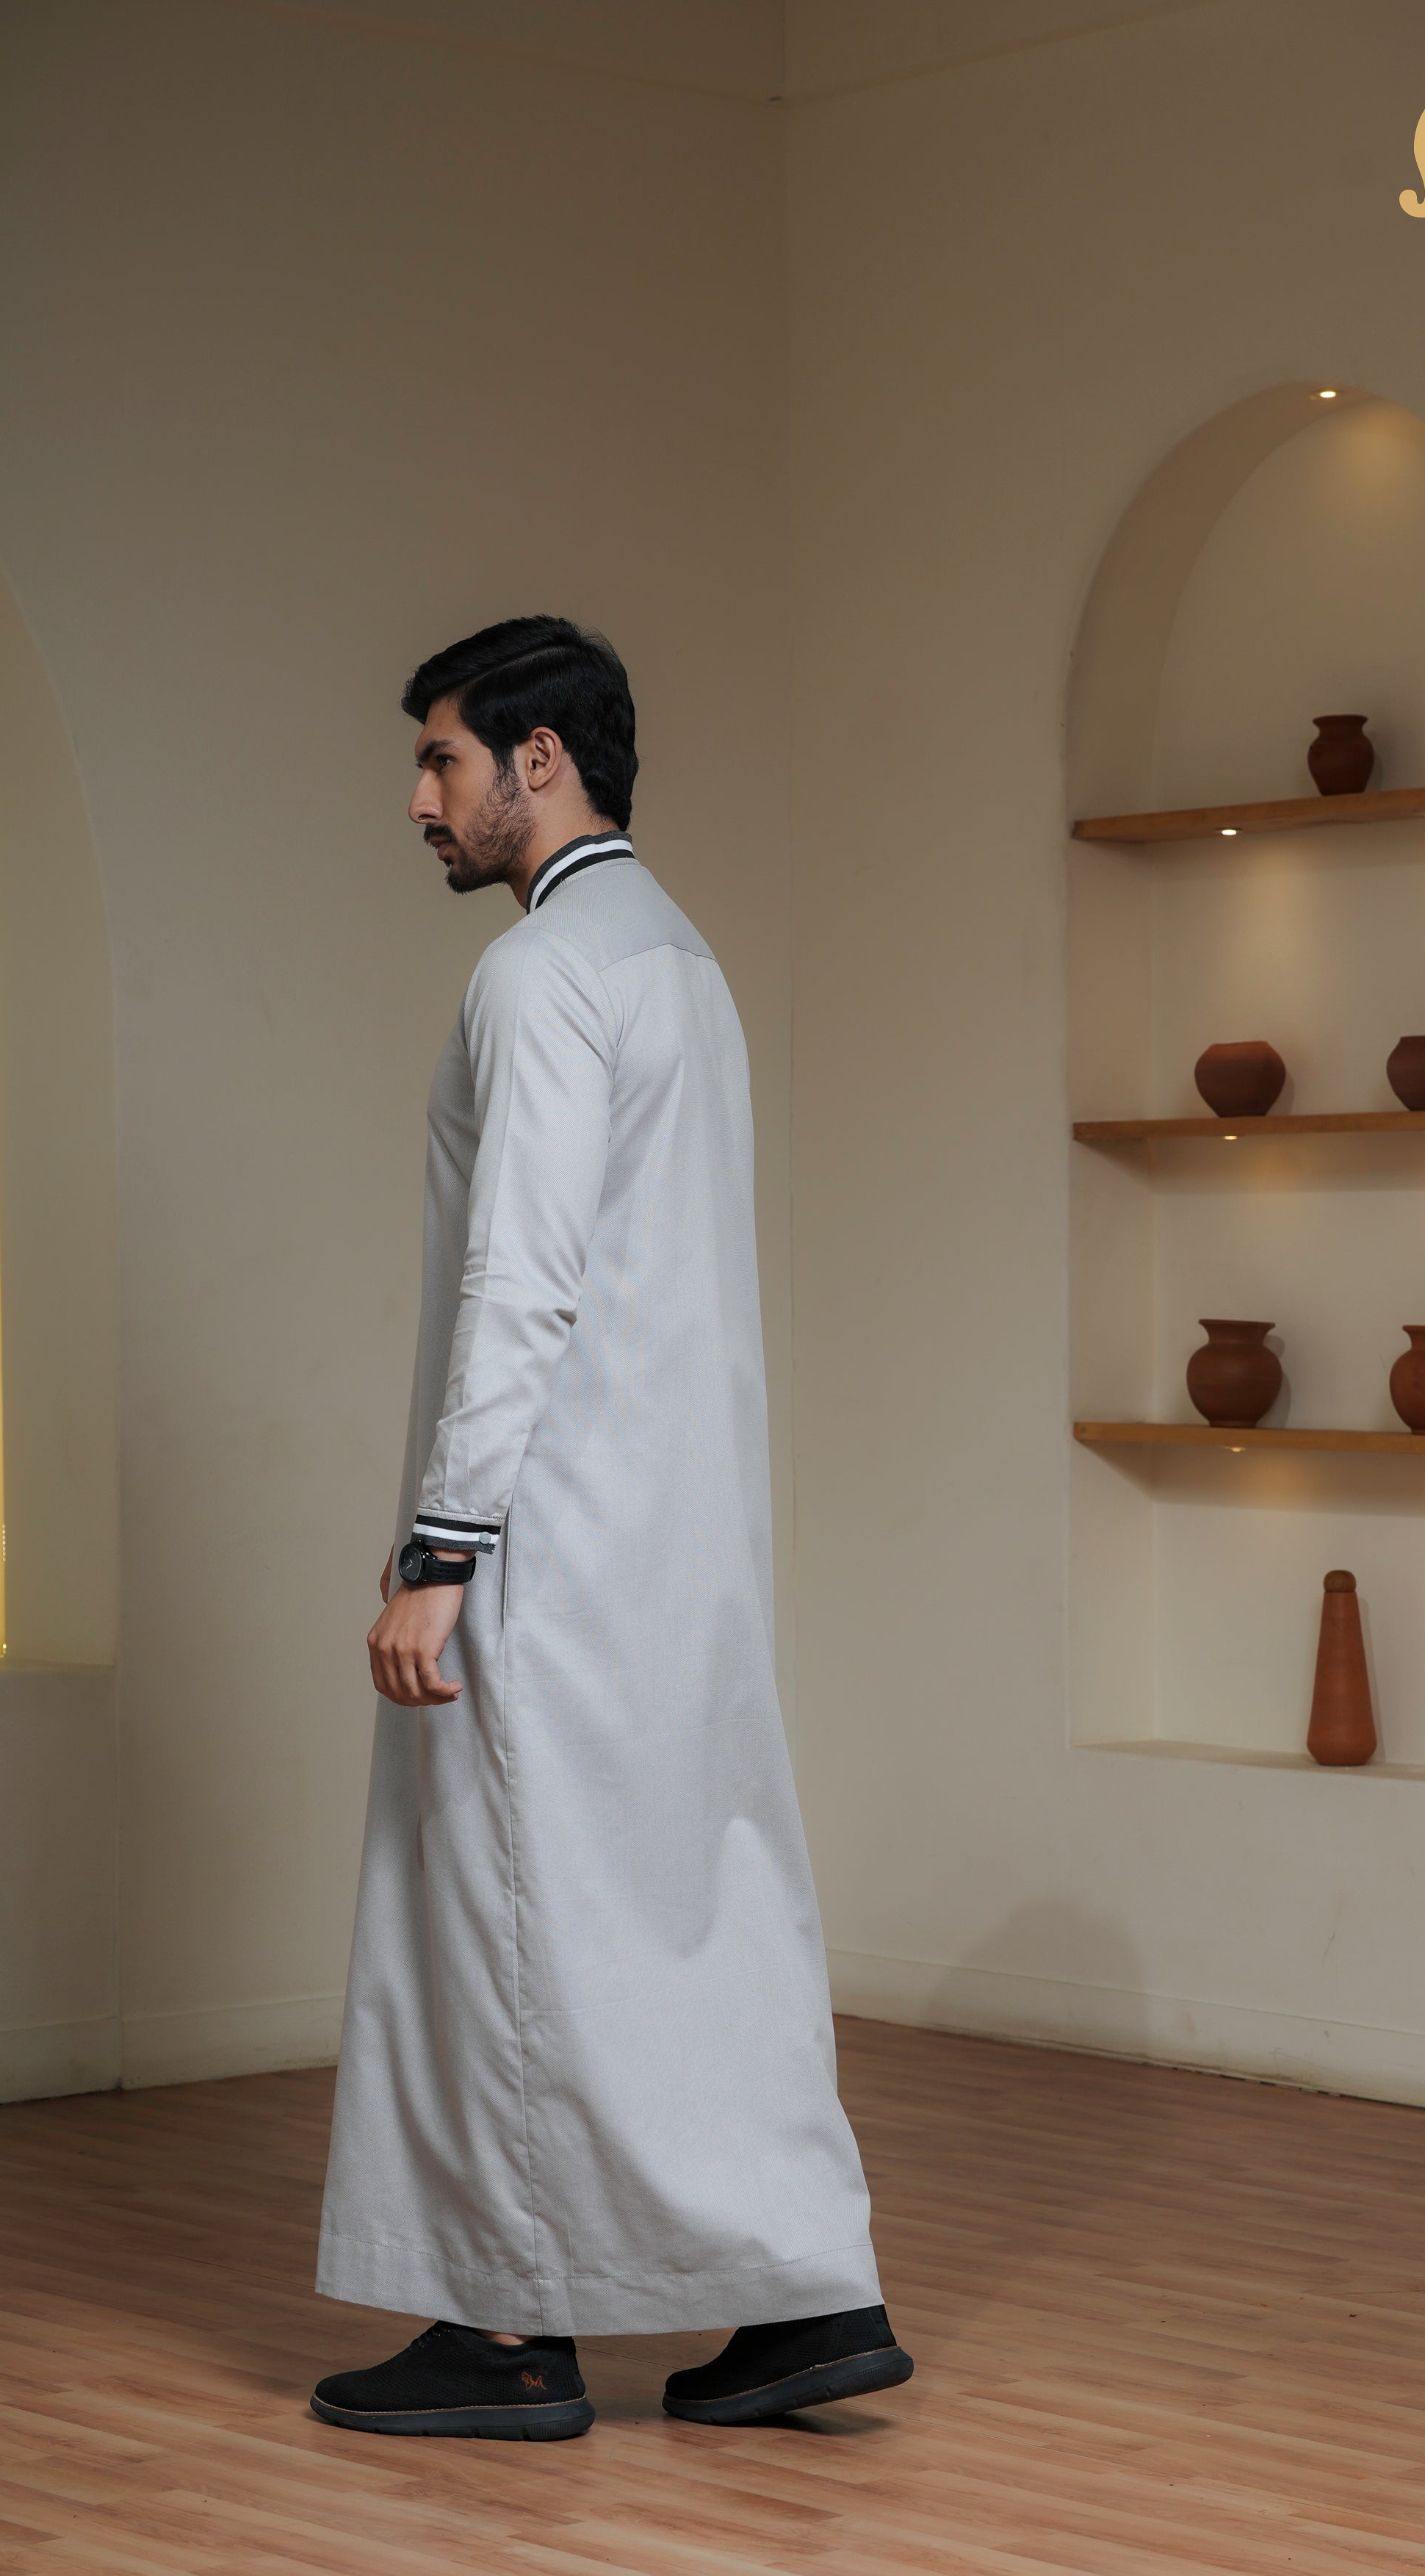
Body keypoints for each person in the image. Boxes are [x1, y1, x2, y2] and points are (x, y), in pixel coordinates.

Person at [311, 616, 911, 2441]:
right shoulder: (682, 961)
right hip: (687, 1545)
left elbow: (525, 1276)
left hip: (548, 1542)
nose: (419, 799)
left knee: (499, 1915)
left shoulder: (542, 971)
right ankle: (807, 2298)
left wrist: (442, 1547)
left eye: (442, 759)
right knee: (699, 1916)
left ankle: (507, 2331)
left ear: (540, 759)